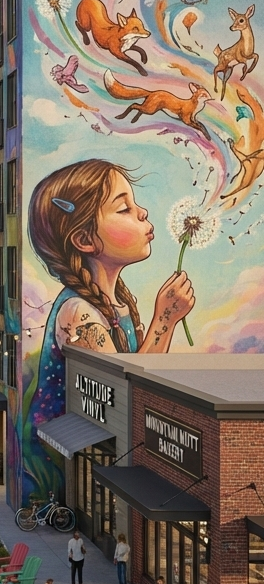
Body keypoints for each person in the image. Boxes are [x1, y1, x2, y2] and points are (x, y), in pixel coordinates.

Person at [28, 161, 195, 433]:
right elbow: (126, 402)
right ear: (84, 240)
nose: (143, 213)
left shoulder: (120, 302)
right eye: (124, 208)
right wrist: (165, 319)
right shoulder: (79, 313)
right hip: (60, 457)